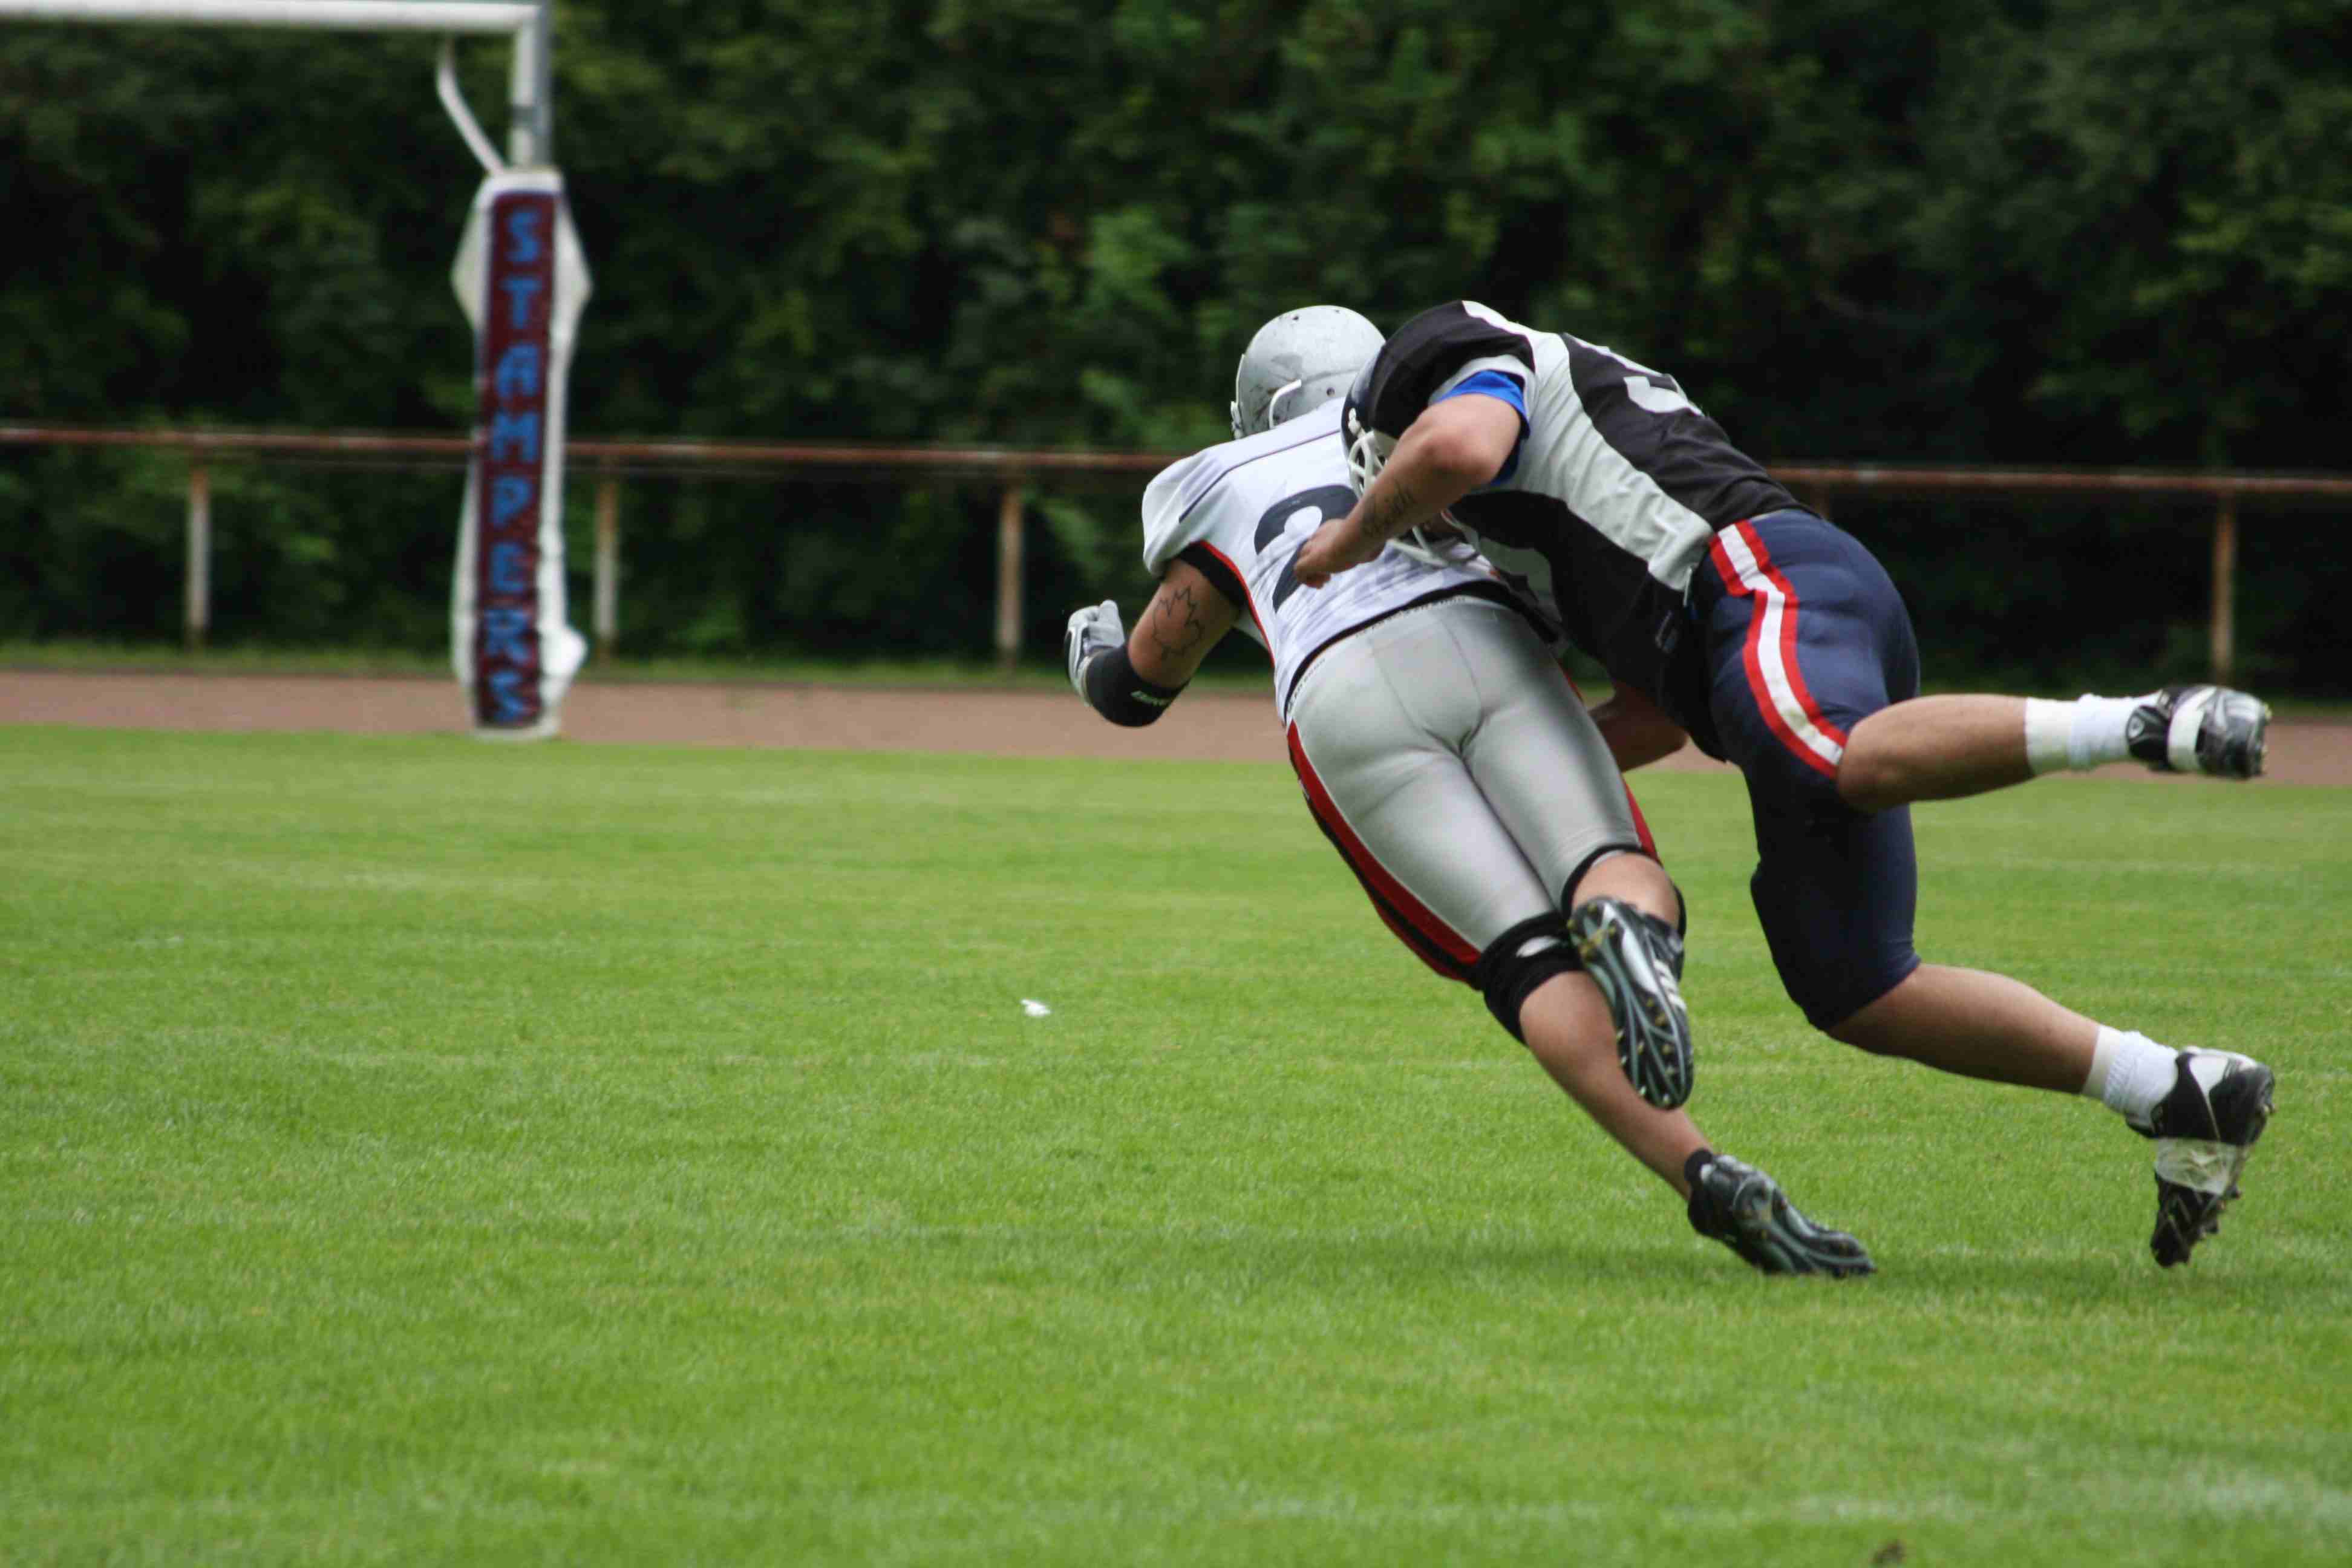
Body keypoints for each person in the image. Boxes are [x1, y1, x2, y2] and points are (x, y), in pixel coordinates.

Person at [1289, 300, 2277, 1268]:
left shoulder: (1445, 355)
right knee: (1858, 986)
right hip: (1755, 638)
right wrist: (1508, 771)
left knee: (1829, 756)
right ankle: (2175, 1087)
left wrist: (1348, 539)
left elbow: (1458, 448)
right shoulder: (1538, 532)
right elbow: (1654, 717)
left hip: (1753, 574)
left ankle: (2146, 722)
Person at [1063, 305, 1873, 1276]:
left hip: (1339, 691)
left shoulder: (1222, 476)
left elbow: (1140, 688)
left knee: (1523, 962)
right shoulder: (1447, 421)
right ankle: (1626, 923)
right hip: (1495, 645)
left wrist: (1093, 656)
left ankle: (1703, 1174)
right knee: (1605, 861)